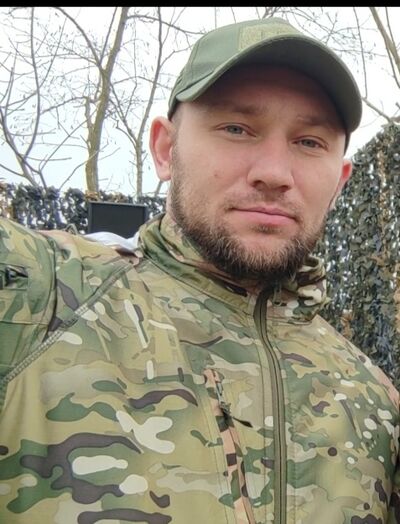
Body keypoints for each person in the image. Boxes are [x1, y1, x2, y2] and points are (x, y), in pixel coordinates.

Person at [0, 16, 399, 524]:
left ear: (340, 181)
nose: (274, 173)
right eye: (236, 129)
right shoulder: (40, 301)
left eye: (309, 142)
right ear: (166, 150)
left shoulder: (374, 399)